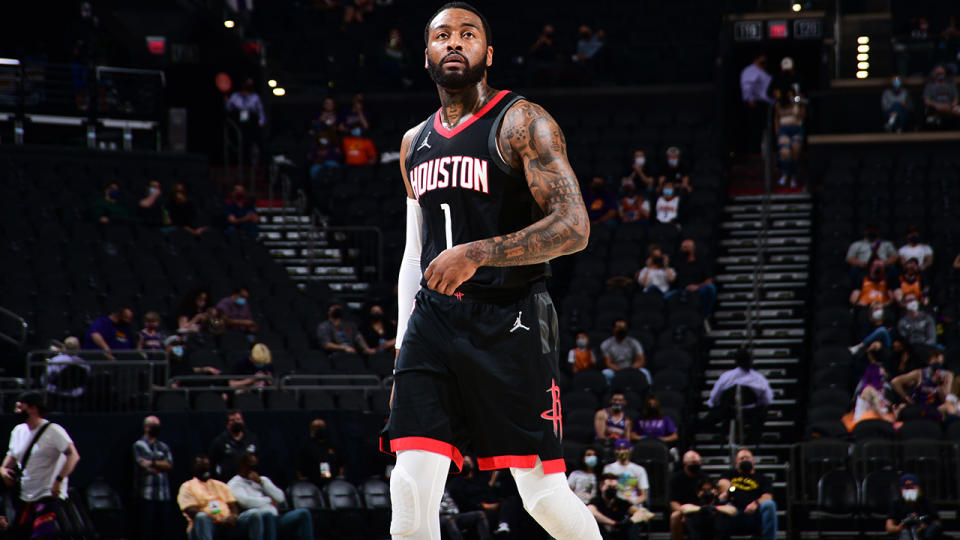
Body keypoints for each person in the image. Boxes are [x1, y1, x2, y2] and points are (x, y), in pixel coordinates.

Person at [382, 4, 601, 539]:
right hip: (434, 322)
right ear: (428, 54)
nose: (454, 43)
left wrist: (477, 253)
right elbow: (416, 253)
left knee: (542, 495)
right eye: (442, 36)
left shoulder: (523, 121)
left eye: (467, 34)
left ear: (489, 53)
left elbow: (574, 226)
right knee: (409, 485)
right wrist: (401, 344)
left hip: (513, 317)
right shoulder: (414, 143)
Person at [0, 392, 80, 540]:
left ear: (33, 408)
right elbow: (12, 456)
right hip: (26, 494)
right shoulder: (18, 431)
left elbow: (73, 456)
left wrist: (59, 479)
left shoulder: (54, 431)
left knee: (42, 534)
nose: (16, 411)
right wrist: (3, 469)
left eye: (20, 407)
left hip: (47, 493)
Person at [228, 453, 313, 540]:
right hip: (258, 521)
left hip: (277, 518)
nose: (254, 469)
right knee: (268, 515)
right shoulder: (234, 484)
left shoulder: (262, 480)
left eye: (255, 466)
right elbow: (247, 503)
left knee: (304, 513)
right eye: (251, 466)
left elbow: (280, 498)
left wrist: (261, 482)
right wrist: (268, 500)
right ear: (242, 466)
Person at [177, 454, 263, 540]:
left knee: (254, 514)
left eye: (207, 466)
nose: (206, 470)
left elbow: (233, 506)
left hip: (227, 524)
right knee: (201, 517)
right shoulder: (187, 487)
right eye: (202, 467)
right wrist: (216, 520)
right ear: (194, 468)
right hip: (208, 524)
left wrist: (233, 516)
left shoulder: (220, 485)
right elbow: (191, 510)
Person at [702, 348, 772, 447]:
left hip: (733, 412)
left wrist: (716, 405)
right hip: (743, 413)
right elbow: (767, 400)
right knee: (762, 412)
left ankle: (722, 438)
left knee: (709, 418)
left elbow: (714, 398)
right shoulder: (759, 379)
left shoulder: (726, 377)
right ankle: (752, 441)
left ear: (736, 361)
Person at [717, 449, 777, 540]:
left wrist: (755, 504)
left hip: (754, 513)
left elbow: (768, 496)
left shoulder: (763, 478)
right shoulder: (730, 474)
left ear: (753, 461)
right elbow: (723, 484)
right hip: (734, 511)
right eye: (741, 458)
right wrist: (728, 492)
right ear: (736, 463)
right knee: (724, 507)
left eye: (747, 457)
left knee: (770, 504)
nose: (745, 460)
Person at [133, 415, 174, 540]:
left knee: (162, 530)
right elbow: (143, 465)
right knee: (146, 530)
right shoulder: (139, 445)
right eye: (154, 425)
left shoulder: (163, 446)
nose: (158, 428)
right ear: (146, 427)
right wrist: (158, 464)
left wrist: (152, 462)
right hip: (147, 494)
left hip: (163, 494)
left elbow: (169, 465)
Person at [891, 350, 954, 421]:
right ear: (929, 361)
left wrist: (941, 385)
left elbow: (946, 398)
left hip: (936, 408)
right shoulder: (919, 373)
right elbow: (895, 382)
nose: (937, 365)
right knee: (902, 407)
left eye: (939, 362)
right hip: (919, 407)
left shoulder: (947, 375)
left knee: (947, 408)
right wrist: (906, 397)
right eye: (935, 360)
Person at [667, 238, 717, 319]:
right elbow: (671, 277)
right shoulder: (676, 261)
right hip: (680, 290)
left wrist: (698, 286)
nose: (682, 250)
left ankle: (704, 314)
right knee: (665, 297)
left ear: (692, 249)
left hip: (697, 289)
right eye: (682, 247)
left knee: (710, 288)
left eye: (685, 247)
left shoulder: (701, 261)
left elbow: (709, 280)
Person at [587, 473, 647, 540]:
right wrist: (614, 523)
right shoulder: (596, 501)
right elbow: (592, 512)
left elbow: (643, 512)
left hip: (619, 534)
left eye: (614, 487)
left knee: (633, 526)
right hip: (603, 535)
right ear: (601, 487)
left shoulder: (621, 502)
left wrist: (631, 521)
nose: (612, 489)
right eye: (609, 487)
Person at [842, 362, 898, 431]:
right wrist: (891, 420)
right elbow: (876, 409)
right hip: (865, 420)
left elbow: (885, 405)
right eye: (882, 377)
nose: (884, 379)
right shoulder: (868, 390)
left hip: (876, 418)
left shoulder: (881, 390)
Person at [886, 474, 943, 540]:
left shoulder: (926, 502)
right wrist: (900, 527)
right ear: (901, 489)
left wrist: (924, 526)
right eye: (907, 488)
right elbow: (889, 527)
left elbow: (936, 522)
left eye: (912, 487)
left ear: (918, 488)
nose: (910, 490)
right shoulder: (896, 504)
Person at [209, 411, 260, 481]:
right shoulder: (219, 441)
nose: (236, 422)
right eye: (232, 420)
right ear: (227, 425)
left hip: (248, 480)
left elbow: (257, 458)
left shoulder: (252, 439)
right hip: (227, 481)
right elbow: (213, 463)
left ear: (243, 422)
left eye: (238, 419)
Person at [225, 78, 265, 165]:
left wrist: (261, 122)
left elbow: (260, 110)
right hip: (238, 120)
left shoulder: (255, 97)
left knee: (250, 142)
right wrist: (227, 102)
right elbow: (229, 108)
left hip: (251, 121)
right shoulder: (235, 96)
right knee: (239, 140)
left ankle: (251, 160)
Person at [740, 53, 774, 152]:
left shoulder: (762, 71)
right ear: (756, 59)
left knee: (766, 129)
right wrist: (750, 99)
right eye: (762, 59)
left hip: (765, 103)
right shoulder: (750, 71)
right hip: (755, 103)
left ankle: (765, 150)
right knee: (756, 130)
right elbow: (747, 85)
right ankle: (754, 152)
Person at [668, 450, 707, 540]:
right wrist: (684, 512)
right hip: (683, 510)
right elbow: (673, 503)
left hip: (701, 509)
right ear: (685, 463)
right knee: (675, 516)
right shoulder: (676, 479)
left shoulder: (704, 477)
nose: (696, 464)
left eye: (697, 462)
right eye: (693, 462)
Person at [295, 418, 343, 489]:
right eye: (317, 428)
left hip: (333, 483)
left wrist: (339, 479)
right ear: (312, 430)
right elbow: (298, 468)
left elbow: (341, 464)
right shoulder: (305, 447)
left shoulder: (333, 445)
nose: (320, 430)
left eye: (321, 427)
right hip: (313, 484)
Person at [773, 87, 805, 188]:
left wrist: (799, 103)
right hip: (784, 129)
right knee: (785, 152)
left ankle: (794, 177)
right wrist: (777, 131)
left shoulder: (797, 102)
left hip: (796, 128)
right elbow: (776, 118)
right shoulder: (779, 104)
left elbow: (803, 115)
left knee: (795, 152)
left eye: (792, 95)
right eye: (788, 95)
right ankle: (785, 174)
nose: (790, 97)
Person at [600, 320, 649, 385]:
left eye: (623, 328)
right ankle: (608, 393)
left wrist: (631, 369)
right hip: (615, 370)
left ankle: (649, 393)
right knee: (606, 373)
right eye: (619, 328)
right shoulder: (606, 344)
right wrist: (621, 371)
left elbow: (640, 360)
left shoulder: (634, 342)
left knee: (645, 372)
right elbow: (608, 363)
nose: (622, 330)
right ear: (613, 329)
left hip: (632, 369)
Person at [602, 439, 649, 506]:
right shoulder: (608, 468)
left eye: (625, 449)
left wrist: (632, 502)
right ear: (615, 451)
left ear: (630, 450)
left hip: (633, 504)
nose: (622, 452)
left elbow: (643, 496)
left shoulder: (639, 469)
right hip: (615, 504)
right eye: (619, 449)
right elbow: (605, 490)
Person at [43, 337, 90, 403]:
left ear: (64, 347)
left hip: (56, 395)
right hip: (75, 396)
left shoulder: (55, 360)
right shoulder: (84, 363)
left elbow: (48, 375)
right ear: (78, 348)